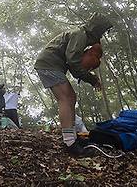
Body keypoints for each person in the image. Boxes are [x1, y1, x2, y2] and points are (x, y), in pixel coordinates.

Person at [34, 13, 112, 157]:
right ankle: (69, 143)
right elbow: (73, 61)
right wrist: (91, 79)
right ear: (96, 29)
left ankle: (71, 138)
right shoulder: (80, 34)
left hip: (51, 64)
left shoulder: (82, 35)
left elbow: (73, 61)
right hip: (49, 64)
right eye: (101, 31)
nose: (102, 35)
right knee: (66, 98)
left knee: (70, 97)